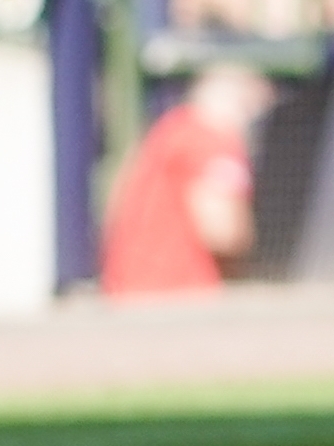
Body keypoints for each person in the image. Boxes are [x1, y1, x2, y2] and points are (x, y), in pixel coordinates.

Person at [101, 65, 273, 299]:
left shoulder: (168, 128)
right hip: (178, 295)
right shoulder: (211, 139)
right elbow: (222, 231)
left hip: (128, 290)